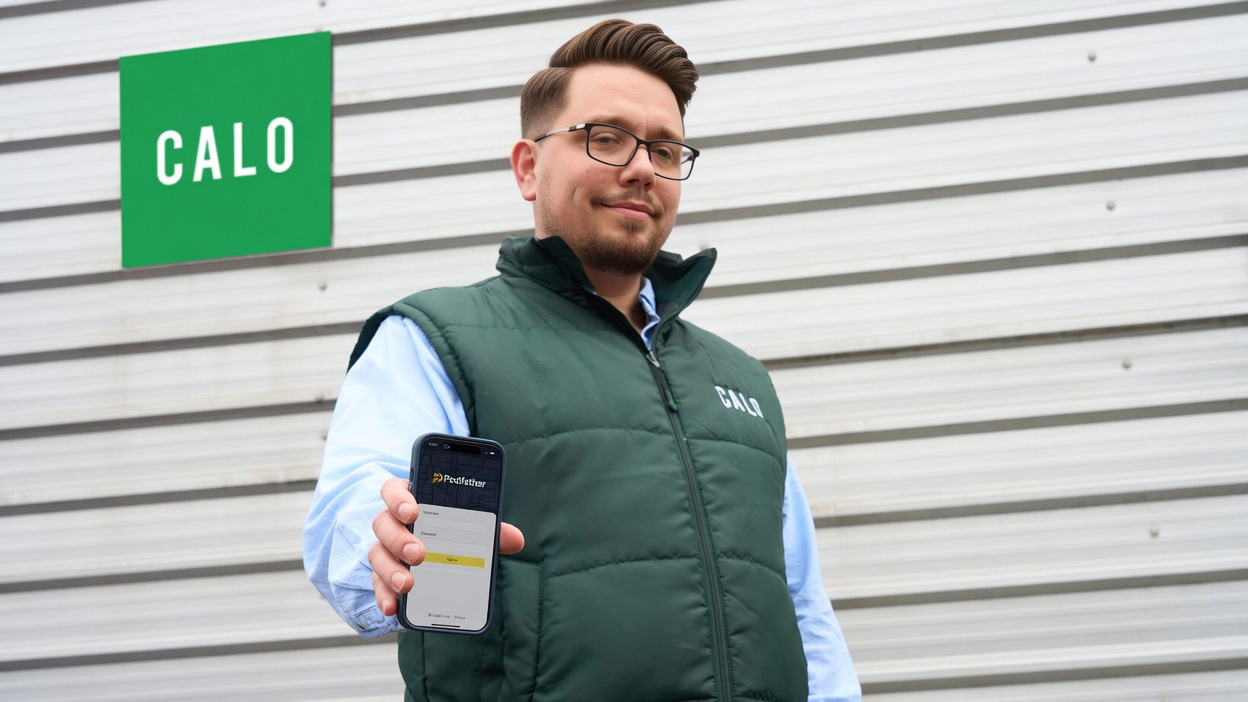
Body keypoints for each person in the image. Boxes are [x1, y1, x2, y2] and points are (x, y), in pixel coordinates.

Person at [304, 18, 860, 702]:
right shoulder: (438, 339)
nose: (639, 168)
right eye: (606, 137)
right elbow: (359, 506)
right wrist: (383, 546)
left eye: (664, 148)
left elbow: (802, 606)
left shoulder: (739, 380)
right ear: (528, 167)